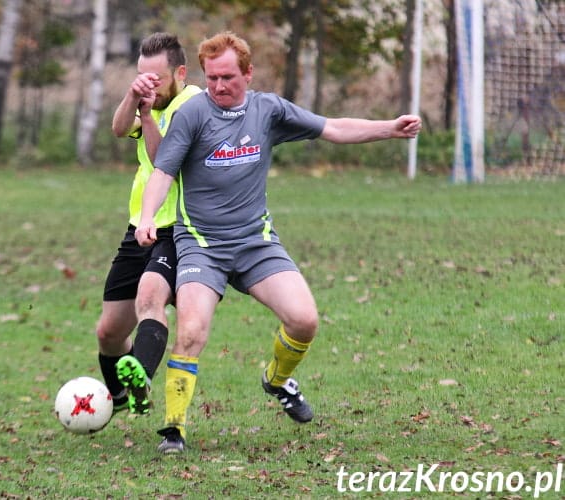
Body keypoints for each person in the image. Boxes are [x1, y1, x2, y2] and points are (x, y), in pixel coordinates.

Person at [135, 31, 422, 453]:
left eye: (228, 76)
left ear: (248, 74)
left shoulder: (267, 110)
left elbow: (333, 128)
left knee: (304, 320)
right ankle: (173, 429)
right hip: (201, 245)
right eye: (211, 77)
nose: (218, 86)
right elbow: (162, 172)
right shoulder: (192, 114)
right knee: (192, 331)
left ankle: (275, 379)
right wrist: (146, 218)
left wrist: (390, 129)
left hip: (255, 242)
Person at [96, 32, 201, 415]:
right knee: (108, 333)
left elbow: (164, 162)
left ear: (180, 73)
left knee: (150, 299)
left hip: (178, 227)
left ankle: (140, 374)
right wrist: (132, 98)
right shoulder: (150, 99)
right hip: (139, 224)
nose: (149, 85)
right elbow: (119, 129)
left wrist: (146, 111)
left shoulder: (193, 105)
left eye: (155, 78)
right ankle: (120, 398)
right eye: (143, 76)